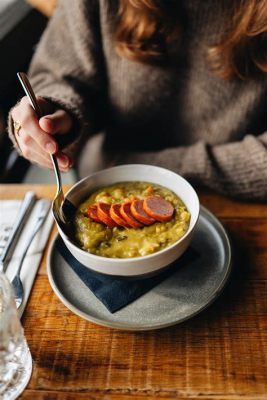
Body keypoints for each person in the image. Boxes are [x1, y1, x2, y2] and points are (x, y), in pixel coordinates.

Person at [8, 0, 267, 200]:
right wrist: (56, 116)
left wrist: (144, 168)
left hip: (236, 198)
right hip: (100, 188)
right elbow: (59, 76)